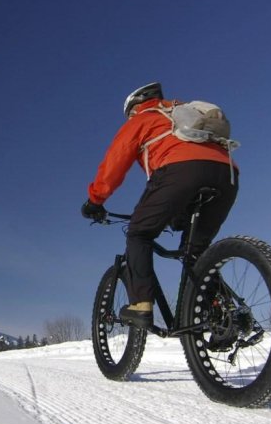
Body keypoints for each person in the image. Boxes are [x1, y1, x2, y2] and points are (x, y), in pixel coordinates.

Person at [81, 82, 239, 329]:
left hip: (180, 171)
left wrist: (95, 201)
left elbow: (114, 164)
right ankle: (222, 312)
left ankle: (141, 305)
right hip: (227, 174)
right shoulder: (183, 115)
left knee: (139, 233)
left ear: (134, 108)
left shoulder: (142, 119)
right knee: (196, 253)